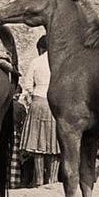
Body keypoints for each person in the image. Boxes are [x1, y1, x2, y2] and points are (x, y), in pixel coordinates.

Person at [18, 36, 60, 186]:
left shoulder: (36, 62)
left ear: (41, 48)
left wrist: (30, 98)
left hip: (38, 102)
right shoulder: (60, 61)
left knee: (37, 143)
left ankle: (39, 180)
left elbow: (28, 85)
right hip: (56, 103)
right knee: (55, 143)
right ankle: (53, 179)